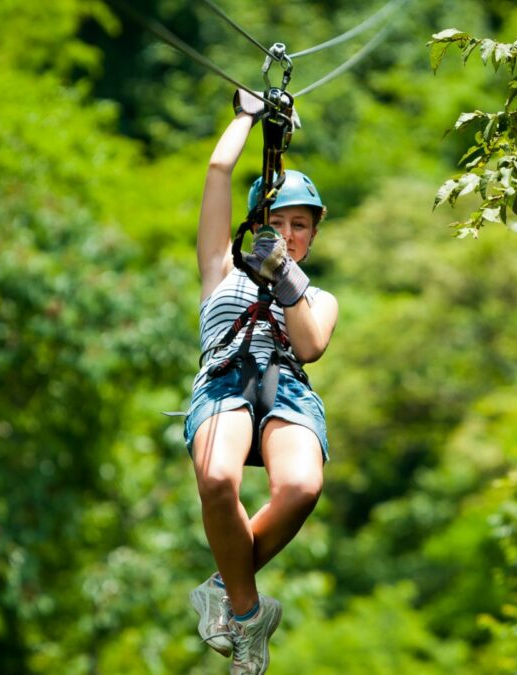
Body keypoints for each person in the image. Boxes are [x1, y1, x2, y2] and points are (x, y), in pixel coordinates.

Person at [184, 89, 338, 674]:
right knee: (218, 479)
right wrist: (247, 118)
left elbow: (311, 345)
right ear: (255, 225)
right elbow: (218, 171)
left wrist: (286, 280)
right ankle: (248, 617)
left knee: (301, 487)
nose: (289, 233)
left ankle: (222, 587)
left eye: (300, 225)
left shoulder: (320, 296)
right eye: (276, 222)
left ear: (313, 236)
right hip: (226, 379)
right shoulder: (220, 267)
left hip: (287, 387)